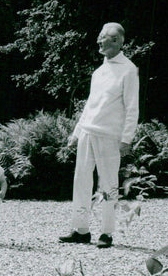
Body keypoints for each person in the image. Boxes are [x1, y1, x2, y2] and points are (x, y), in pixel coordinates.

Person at [59, 22, 139, 249]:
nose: (98, 41)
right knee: (81, 181)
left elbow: (132, 108)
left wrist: (127, 139)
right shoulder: (98, 71)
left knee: (108, 185)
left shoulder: (129, 70)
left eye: (103, 37)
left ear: (116, 41)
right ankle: (80, 230)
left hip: (110, 137)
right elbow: (89, 106)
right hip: (87, 133)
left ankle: (106, 233)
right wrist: (76, 133)